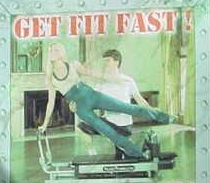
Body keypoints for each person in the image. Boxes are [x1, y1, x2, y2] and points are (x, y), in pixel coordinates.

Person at [39, 41, 177, 160]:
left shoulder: (73, 65)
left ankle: (165, 117)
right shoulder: (50, 79)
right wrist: (45, 124)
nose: (53, 51)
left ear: (62, 52)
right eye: (51, 50)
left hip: (91, 95)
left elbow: (93, 73)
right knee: (110, 133)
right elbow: (50, 102)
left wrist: (112, 78)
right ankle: (138, 154)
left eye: (56, 49)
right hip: (80, 108)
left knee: (128, 107)